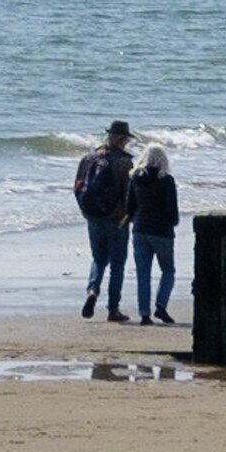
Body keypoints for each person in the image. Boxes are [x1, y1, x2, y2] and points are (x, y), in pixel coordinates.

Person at [73, 119, 135, 321]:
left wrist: (84, 210)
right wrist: (130, 215)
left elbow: (78, 185)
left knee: (99, 258)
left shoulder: (89, 158)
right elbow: (128, 193)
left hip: (92, 216)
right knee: (117, 263)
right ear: (123, 139)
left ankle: (92, 290)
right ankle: (113, 309)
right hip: (117, 218)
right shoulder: (124, 162)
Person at [124, 142, 179, 325]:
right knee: (168, 270)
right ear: (163, 159)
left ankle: (144, 314)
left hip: (140, 229)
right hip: (162, 231)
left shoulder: (135, 178)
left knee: (143, 273)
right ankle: (161, 305)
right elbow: (172, 209)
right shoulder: (167, 180)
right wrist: (173, 222)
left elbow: (129, 207)